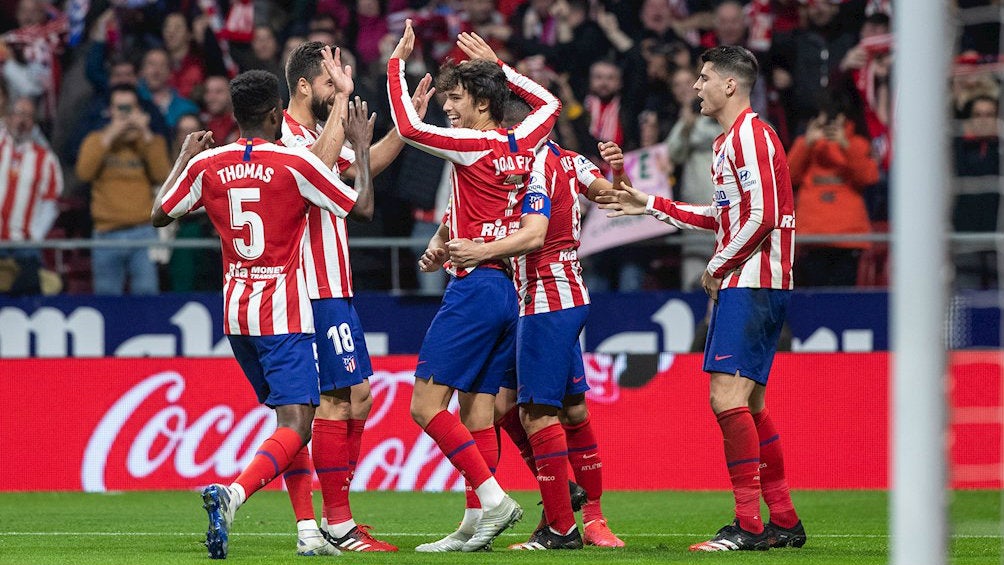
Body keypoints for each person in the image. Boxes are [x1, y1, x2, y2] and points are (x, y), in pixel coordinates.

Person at [150, 69, 373, 560]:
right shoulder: (293, 161)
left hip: (235, 316)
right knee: (298, 422)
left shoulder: (207, 163)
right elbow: (361, 209)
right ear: (276, 113)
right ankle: (233, 495)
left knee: (284, 421)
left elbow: (160, 214)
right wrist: (359, 143)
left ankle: (308, 531)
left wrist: (184, 157)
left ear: (235, 115)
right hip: (284, 313)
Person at [598, 45, 804, 552]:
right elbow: (724, 217)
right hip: (751, 281)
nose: (696, 86)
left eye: (705, 77)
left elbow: (761, 216)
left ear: (730, 85)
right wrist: (646, 204)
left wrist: (715, 267)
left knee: (725, 398)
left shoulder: (751, 135)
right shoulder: (729, 141)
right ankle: (782, 519)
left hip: (752, 283)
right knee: (750, 404)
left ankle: (748, 526)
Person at [387, 22, 560, 552]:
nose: (448, 108)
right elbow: (549, 103)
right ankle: (473, 526)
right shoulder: (525, 140)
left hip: (477, 287)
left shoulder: (471, 143)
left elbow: (410, 129)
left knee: (424, 406)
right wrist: (503, 68)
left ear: (483, 103)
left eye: (456, 98)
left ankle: (494, 499)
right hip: (511, 288)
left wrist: (396, 66)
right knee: (476, 412)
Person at [447, 96, 627, 550]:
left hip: (549, 297)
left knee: (536, 412)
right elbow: (609, 193)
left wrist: (479, 252)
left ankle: (567, 525)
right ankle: (571, 504)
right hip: (544, 296)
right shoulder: (552, 163)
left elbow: (539, 231)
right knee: (542, 408)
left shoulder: (541, 167)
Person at [278, 40, 433, 553]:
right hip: (310, 286)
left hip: (335, 286)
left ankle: (340, 519)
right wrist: (345, 107)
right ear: (304, 85)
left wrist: (406, 126)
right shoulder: (286, 136)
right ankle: (339, 526)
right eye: (329, 82)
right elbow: (321, 174)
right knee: (334, 400)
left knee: (357, 396)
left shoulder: (317, 133)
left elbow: (364, 165)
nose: (338, 88)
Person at [76, 84, 170, 295]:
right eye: (120, 109)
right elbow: (84, 173)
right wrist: (110, 135)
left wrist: (145, 134)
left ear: (139, 110)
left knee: (147, 295)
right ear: (110, 111)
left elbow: (163, 177)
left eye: (130, 108)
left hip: (143, 232)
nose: (125, 115)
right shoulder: (95, 141)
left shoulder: (151, 141)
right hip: (106, 233)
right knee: (107, 298)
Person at [788, 95, 879, 287]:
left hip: (847, 239)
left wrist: (845, 144)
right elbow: (787, 177)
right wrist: (806, 143)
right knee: (813, 300)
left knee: (844, 300)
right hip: (812, 238)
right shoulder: (807, 146)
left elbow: (869, 177)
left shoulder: (858, 144)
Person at [0, 95, 62, 295]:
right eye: (18, 114)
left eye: (28, 116)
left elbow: (50, 203)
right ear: (8, 117)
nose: (22, 121)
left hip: (23, 244)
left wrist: (34, 235)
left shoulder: (45, 158)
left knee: (25, 293)